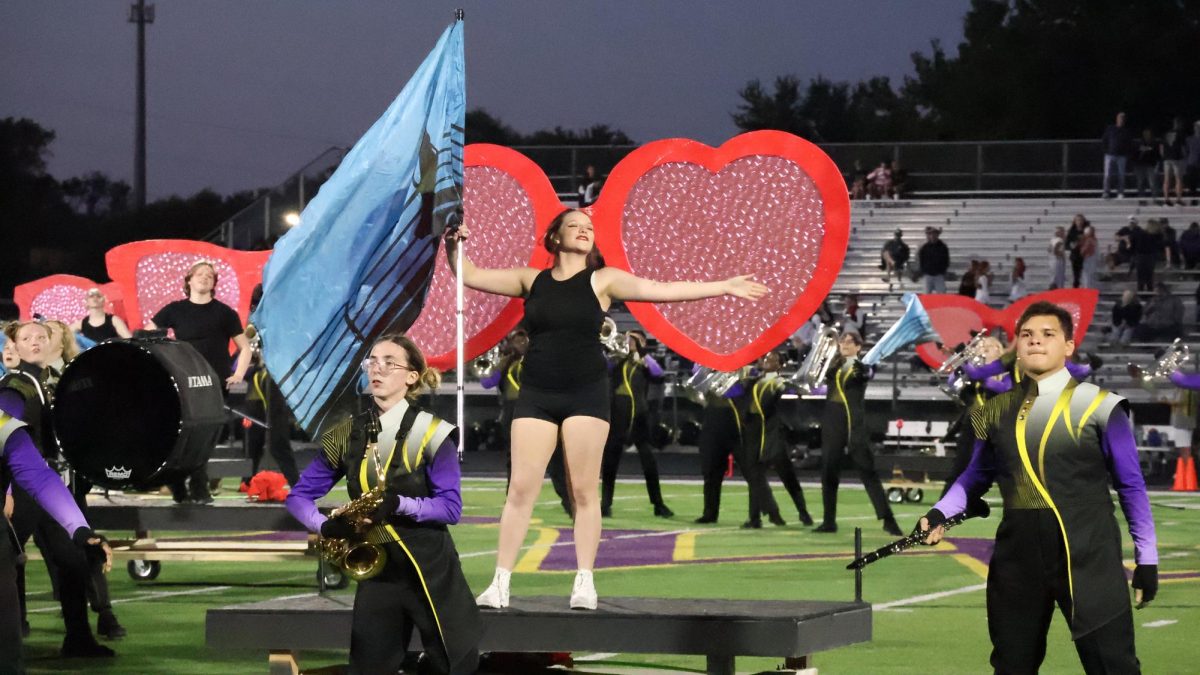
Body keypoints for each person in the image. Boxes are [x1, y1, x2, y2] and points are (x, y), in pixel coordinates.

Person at [447, 208, 766, 609]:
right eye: (574, 226)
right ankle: (500, 583)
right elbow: (469, 274)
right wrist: (452, 244)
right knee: (520, 491)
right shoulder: (531, 279)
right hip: (537, 392)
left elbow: (663, 289)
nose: (583, 231)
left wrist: (723, 285)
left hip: (586, 392)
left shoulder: (604, 280)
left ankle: (584, 581)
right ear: (554, 237)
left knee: (583, 491)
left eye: (589, 228)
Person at [917, 302, 1158, 674]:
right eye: (1026, 335)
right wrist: (938, 514)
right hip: (1017, 560)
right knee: (1012, 667)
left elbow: (1132, 487)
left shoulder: (1101, 407)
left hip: (1089, 556)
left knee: (1114, 666)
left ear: (1069, 346)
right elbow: (973, 478)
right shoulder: (991, 411)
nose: (1035, 342)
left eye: (1048, 335)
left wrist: (1148, 559)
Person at [285, 334, 481, 675]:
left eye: (389, 362)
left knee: (455, 665)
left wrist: (400, 504)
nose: (378, 369)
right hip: (378, 573)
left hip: (431, 570)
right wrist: (324, 525)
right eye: (372, 361)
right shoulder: (346, 434)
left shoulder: (432, 432)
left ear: (411, 376)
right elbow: (298, 497)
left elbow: (451, 508)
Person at [2, 321, 115, 662]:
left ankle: (78, 638)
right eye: (26, 338)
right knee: (8, 561)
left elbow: (34, 464)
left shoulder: (48, 382)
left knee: (71, 560)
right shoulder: (16, 387)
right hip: (20, 491)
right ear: (14, 347)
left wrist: (79, 528)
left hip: (42, 482)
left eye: (41, 336)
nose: (35, 342)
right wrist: (7, 491)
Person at [145, 260, 252, 504]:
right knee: (180, 435)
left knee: (205, 436)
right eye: (200, 274)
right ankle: (181, 484)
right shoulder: (174, 309)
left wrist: (238, 374)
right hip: (184, 382)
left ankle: (197, 486)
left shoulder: (225, 313)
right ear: (189, 280)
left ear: (214, 283)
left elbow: (244, 348)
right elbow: (147, 333)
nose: (205, 277)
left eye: (210, 275)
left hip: (214, 384)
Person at [813, 332, 902, 536]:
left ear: (858, 347)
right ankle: (829, 521)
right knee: (828, 471)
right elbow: (816, 382)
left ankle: (888, 520)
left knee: (867, 471)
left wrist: (866, 369)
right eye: (842, 340)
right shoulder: (833, 365)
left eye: (849, 341)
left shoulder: (862, 365)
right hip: (832, 421)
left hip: (854, 423)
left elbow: (868, 373)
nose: (844, 344)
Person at [729, 351, 811, 529]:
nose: (767, 360)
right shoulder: (754, 379)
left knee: (787, 475)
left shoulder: (778, 382)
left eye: (772, 359)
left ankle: (803, 512)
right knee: (754, 476)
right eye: (765, 358)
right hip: (753, 431)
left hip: (772, 433)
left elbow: (787, 392)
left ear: (780, 365)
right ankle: (755, 518)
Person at [600, 329, 673, 519]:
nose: (629, 341)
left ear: (642, 342)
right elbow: (604, 367)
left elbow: (659, 374)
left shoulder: (644, 362)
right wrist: (610, 349)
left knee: (648, 462)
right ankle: (605, 504)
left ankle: (658, 504)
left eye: (634, 339)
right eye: (628, 338)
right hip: (618, 414)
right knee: (610, 462)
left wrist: (642, 353)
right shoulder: (617, 359)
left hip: (639, 415)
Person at [693, 369, 742, 524]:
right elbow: (695, 383)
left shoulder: (742, 369)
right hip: (712, 423)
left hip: (735, 424)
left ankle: (757, 515)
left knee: (751, 472)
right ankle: (709, 513)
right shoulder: (706, 369)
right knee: (711, 473)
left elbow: (737, 392)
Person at [1101, 111, 1132, 199]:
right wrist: (1106, 151)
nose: (1121, 120)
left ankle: (1120, 192)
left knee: (1121, 175)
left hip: (1121, 156)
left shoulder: (1126, 131)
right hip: (1109, 155)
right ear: (1117, 119)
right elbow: (1104, 140)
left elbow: (1129, 143)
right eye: (1120, 118)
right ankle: (1106, 192)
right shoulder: (1110, 129)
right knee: (1107, 174)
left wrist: (1126, 153)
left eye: (1123, 118)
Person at [1160, 117, 1187, 205]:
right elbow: (1183, 147)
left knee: (1166, 179)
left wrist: (1163, 156)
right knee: (1178, 179)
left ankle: (1166, 198)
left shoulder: (1166, 133)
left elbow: (1161, 147)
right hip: (1177, 158)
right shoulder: (1180, 134)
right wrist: (1184, 156)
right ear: (1178, 124)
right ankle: (1178, 198)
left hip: (1167, 159)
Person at [918, 227, 950, 293]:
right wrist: (923, 270)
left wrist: (943, 271)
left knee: (942, 295)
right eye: (931, 234)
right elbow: (921, 260)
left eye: (934, 234)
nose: (932, 236)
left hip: (939, 275)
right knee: (926, 295)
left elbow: (946, 260)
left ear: (937, 235)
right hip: (927, 275)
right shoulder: (924, 247)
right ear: (929, 236)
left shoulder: (943, 247)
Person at [1131, 127, 1160, 198]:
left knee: (1152, 182)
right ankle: (1141, 196)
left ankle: (1155, 196)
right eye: (1145, 134)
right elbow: (1134, 154)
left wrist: (1157, 164)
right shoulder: (1139, 143)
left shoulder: (1154, 143)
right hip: (1140, 165)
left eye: (1149, 134)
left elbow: (1157, 155)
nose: (1147, 135)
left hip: (1150, 165)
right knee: (1140, 182)